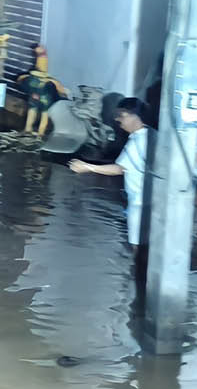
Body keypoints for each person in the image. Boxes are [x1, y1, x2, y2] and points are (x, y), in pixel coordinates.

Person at [68, 97, 156, 274]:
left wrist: (87, 167)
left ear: (135, 117)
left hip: (139, 205)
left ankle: (138, 285)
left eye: (121, 116)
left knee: (138, 250)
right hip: (153, 204)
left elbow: (119, 169)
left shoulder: (137, 142)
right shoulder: (153, 135)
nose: (118, 120)